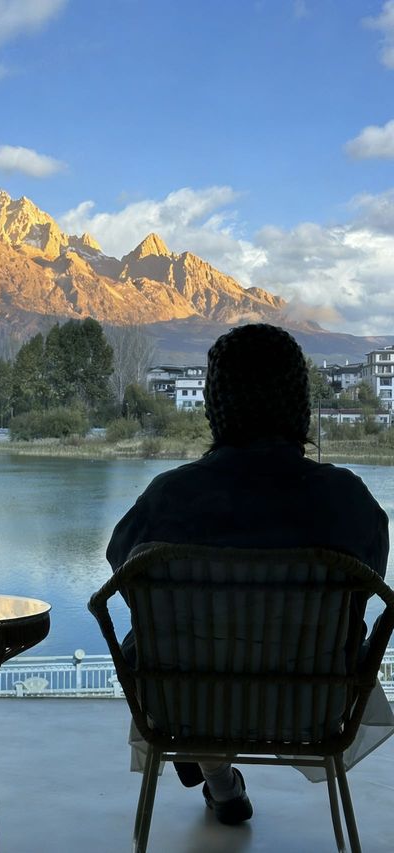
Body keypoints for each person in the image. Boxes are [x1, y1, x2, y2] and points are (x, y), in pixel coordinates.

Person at [106, 323, 391, 826]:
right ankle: (220, 778)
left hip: (186, 703)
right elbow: (363, 594)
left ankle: (217, 777)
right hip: (312, 704)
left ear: (216, 406)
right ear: (299, 404)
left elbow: (125, 575)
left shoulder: (167, 498)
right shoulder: (347, 501)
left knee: (164, 642)